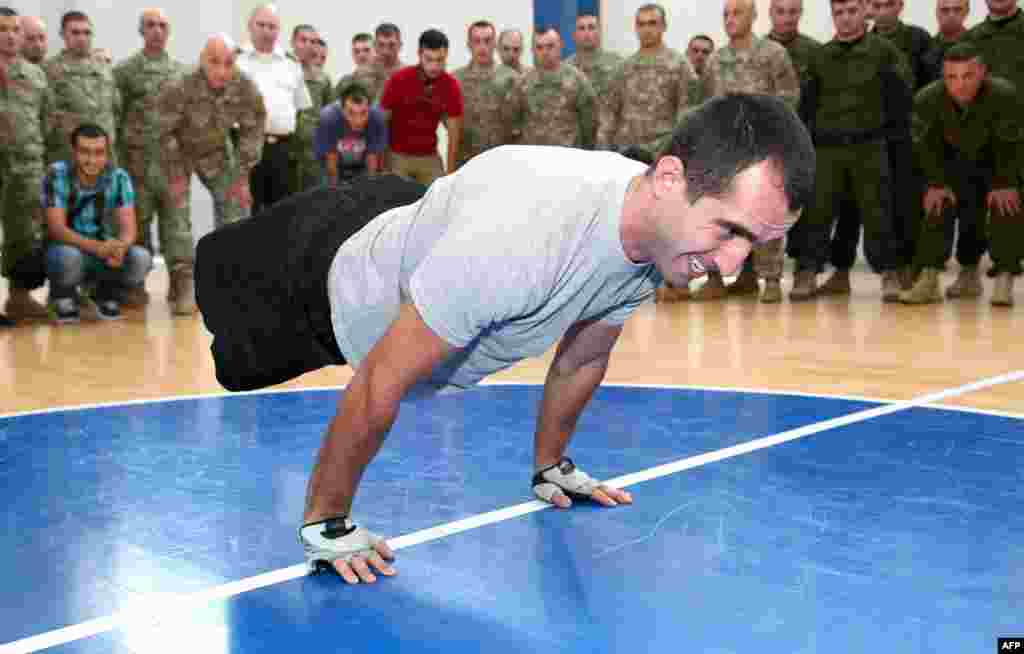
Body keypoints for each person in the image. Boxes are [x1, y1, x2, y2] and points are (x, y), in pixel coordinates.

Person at [193, 93, 815, 583]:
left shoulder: (658, 238)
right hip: (324, 279)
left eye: (752, 245)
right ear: (670, 178)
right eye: (729, 231)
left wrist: (553, 467)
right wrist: (326, 523)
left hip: (422, 227)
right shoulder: (518, 243)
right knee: (227, 318)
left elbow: (584, 355)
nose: (733, 265)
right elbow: (381, 378)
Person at [790, 0, 913, 302]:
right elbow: (806, 105)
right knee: (817, 212)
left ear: (864, 13)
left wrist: (892, 143)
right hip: (827, 150)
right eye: (839, 13)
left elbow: (901, 97)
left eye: (852, 11)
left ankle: (889, 274)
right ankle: (807, 272)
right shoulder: (821, 56)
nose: (845, 19)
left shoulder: (883, 51)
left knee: (878, 211)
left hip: (869, 146)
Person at [687, 0, 799, 304]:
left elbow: (789, 98)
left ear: (753, 16)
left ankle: (771, 278)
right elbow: (705, 106)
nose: (730, 19)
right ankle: (716, 278)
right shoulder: (715, 60)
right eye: (726, 14)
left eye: (737, 13)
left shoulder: (773, 54)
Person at [900, 44, 1022, 306]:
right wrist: (936, 183)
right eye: (952, 77)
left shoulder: (1005, 95)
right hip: (952, 168)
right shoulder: (927, 99)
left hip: (996, 166)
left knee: (1006, 204)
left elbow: (1011, 144)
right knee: (937, 203)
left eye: (968, 76)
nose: (960, 84)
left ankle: (1004, 278)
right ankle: (929, 279)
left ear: (982, 73)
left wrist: (1004, 182)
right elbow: (925, 146)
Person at [113, 8, 192, 313]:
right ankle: (135, 285)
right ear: (141, 31)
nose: (157, 30)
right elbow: (115, 118)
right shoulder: (125, 72)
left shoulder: (182, 73)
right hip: (137, 165)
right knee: (139, 226)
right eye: (150, 25)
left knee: (178, 228)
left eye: (162, 26)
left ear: (168, 32)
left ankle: (181, 284)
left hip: (174, 167)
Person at [41, 123, 151, 323]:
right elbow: (56, 229)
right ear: (73, 152)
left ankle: (101, 293)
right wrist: (96, 247)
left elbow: (129, 229)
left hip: (102, 250)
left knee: (140, 259)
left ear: (107, 153)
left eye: (99, 153)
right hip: (68, 248)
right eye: (85, 152)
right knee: (68, 257)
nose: (92, 160)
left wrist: (120, 246)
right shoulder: (57, 174)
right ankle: (62, 295)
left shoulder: (118, 177)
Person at [157, 34, 266, 230]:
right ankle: (181, 261)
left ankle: (229, 256)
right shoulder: (179, 83)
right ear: (202, 59)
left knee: (236, 202)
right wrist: (175, 173)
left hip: (216, 149)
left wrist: (242, 174)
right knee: (175, 207)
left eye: (228, 63)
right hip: (178, 150)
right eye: (214, 62)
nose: (221, 71)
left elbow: (254, 128)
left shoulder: (244, 86)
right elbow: (163, 131)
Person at [0, 6, 50, 325]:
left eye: (15, 29)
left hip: (25, 169)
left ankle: (18, 298)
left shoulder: (35, 76)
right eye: (2, 29)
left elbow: (46, 122)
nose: (9, 35)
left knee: (23, 235)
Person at [236, 5, 312, 213]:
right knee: (245, 214)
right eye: (261, 25)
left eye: (272, 26)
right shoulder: (236, 62)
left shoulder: (290, 64)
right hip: (246, 148)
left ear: (278, 30)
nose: (266, 31)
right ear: (250, 27)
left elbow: (299, 108)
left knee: (282, 213)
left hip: (282, 149)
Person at [379, 29, 463, 184]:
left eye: (440, 60)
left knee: (439, 198)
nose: (434, 66)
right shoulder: (399, 79)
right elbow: (381, 122)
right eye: (429, 59)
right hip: (397, 155)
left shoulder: (450, 86)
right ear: (419, 54)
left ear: (446, 56)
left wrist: (450, 174)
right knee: (395, 199)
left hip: (429, 156)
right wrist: (383, 165)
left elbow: (454, 132)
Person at [44, 11, 121, 165]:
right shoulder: (48, 70)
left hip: (103, 157)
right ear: (63, 35)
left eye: (87, 33)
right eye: (75, 33)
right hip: (68, 157)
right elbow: (44, 118)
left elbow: (117, 110)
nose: (82, 38)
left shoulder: (104, 69)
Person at [503, 26, 596, 148]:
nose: (545, 52)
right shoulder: (522, 82)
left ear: (560, 46)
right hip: (533, 157)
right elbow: (511, 123)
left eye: (550, 46)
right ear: (533, 50)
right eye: (539, 47)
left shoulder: (577, 80)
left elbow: (590, 123)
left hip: (567, 156)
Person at [453, 20, 518, 168]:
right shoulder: (456, 79)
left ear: (494, 44)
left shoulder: (511, 78)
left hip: (501, 161)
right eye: (477, 41)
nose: (482, 47)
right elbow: (448, 121)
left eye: (487, 41)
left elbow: (518, 122)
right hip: (465, 161)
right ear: (469, 45)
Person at [315, 81, 387, 184]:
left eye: (363, 113)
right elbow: (331, 158)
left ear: (369, 108)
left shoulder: (376, 117)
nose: (358, 121)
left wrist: (371, 186)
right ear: (342, 109)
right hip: (332, 164)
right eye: (351, 113)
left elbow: (373, 157)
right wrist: (335, 189)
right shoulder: (328, 118)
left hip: (361, 166)